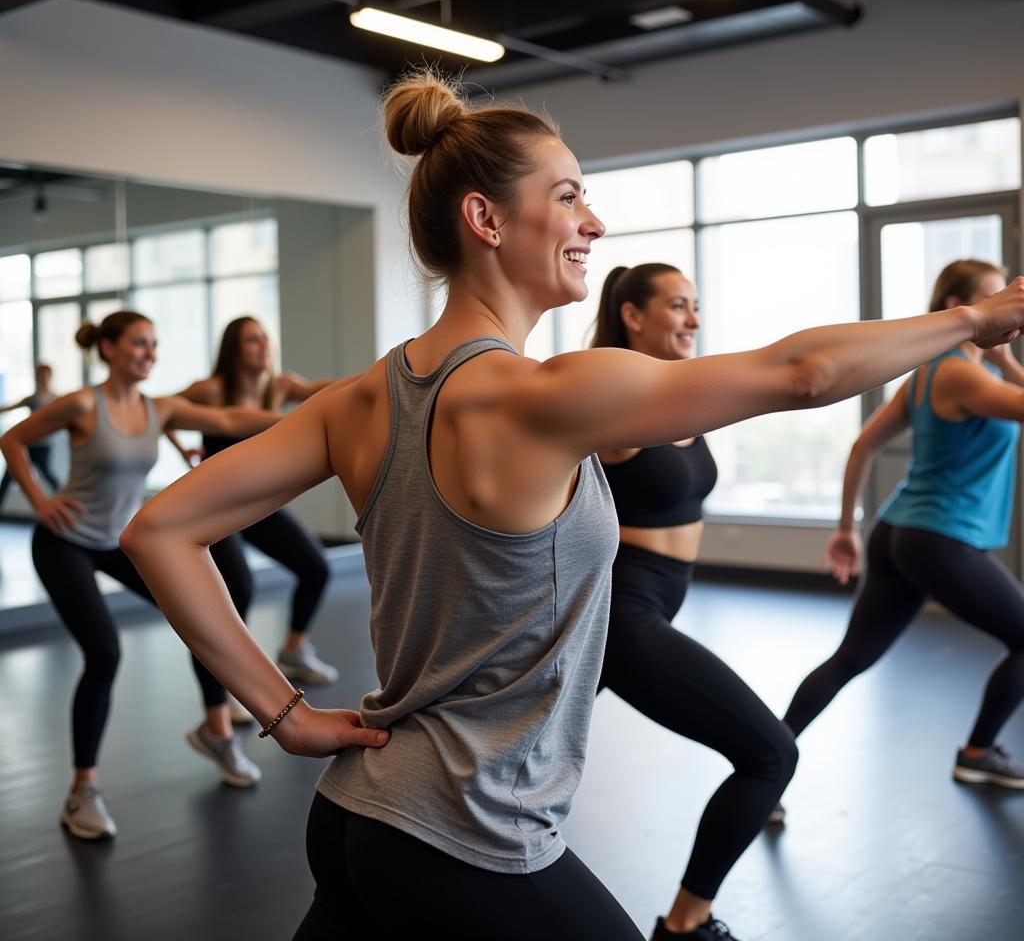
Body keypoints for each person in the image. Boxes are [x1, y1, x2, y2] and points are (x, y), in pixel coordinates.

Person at [120, 73, 1024, 941]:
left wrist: (287, 717)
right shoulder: (537, 395)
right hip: (466, 832)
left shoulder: (357, 400)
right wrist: (974, 323)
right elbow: (802, 374)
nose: (594, 221)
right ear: (485, 219)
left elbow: (160, 529)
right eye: (568, 197)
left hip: (359, 810)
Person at [0, 311, 278, 842]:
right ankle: (82, 791)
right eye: (138, 344)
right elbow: (12, 439)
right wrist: (39, 501)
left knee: (199, 616)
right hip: (65, 544)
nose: (149, 353)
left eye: (154, 344)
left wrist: (308, 419)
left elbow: (229, 421)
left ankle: (217, 730)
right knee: (104, 652)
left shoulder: (161, 408)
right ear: (108, 348)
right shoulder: (84, 404)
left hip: (114, 543)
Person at [592, 264, 796, 940]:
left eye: (696, 306)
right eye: (678, 306)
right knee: (771, 755)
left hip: (654, 603)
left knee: (503, 759)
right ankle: (685, 925)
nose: (694, 320)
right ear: (632, 315)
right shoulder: (615, 399)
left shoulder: (673, 392)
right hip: (625, 611)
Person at [782, 257, 1024, 795]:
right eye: (995, 299)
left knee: (850, 659)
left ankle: (768, 763)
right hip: (939, 537)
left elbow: (863, 445)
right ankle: (979, 753)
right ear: (956, 310)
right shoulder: (963, 375)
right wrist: (1006, 366)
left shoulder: (929, 373)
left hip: (898, 533)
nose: (1008, 314)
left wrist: (848, 527)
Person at [170, 317, 338, 687]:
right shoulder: (211, 390)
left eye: (265, 338)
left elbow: (327, 389)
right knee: (238, 589)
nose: (263, 345)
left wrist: (385, 372)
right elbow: (162, 411)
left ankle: (294, 651)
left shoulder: (278, 386)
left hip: (256, 505)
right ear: (234, 350)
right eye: (252, 340)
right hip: (214, 508)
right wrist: (183, 448)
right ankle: (229, 686)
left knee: (315, 567)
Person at [0, 363, 60, 509]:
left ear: (50, 377)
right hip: (26, 446)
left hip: (43, 446)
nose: (43, 378)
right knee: (9, 476)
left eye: (45, 375)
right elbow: (10, 407)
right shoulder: (32, 399)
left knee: (47, 474)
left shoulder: (56, 400)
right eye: (40, 375)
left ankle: (64, 502)